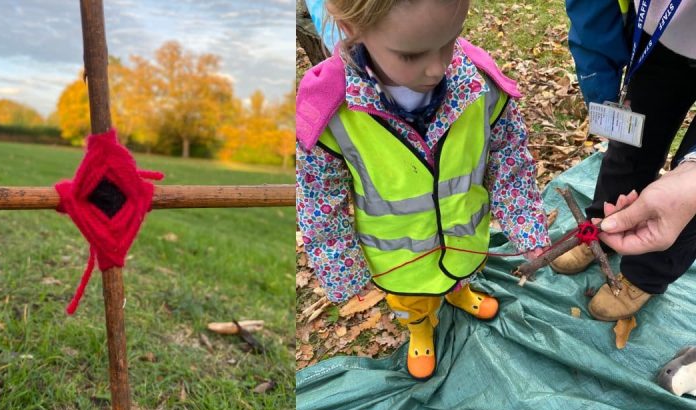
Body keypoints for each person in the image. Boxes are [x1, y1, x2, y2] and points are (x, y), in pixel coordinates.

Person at [295, 0, 549, 380]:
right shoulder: (330, 112)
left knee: (461, 270)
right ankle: (419, 328)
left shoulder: (480, 85)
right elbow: (318, 202)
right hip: (399, 256)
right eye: (411, 55)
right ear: (352, 28)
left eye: (450, 42)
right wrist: (343, 269)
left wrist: (526, 224)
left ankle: (458, 292)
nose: (438, 67)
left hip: (464, 235)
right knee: (411, 299)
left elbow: (509, 159)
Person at [553, 0, 696, 322]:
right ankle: (600, 234)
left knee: (688, 198)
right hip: (658, 40)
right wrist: (601, 85)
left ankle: (646, 275)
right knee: (629, 148)